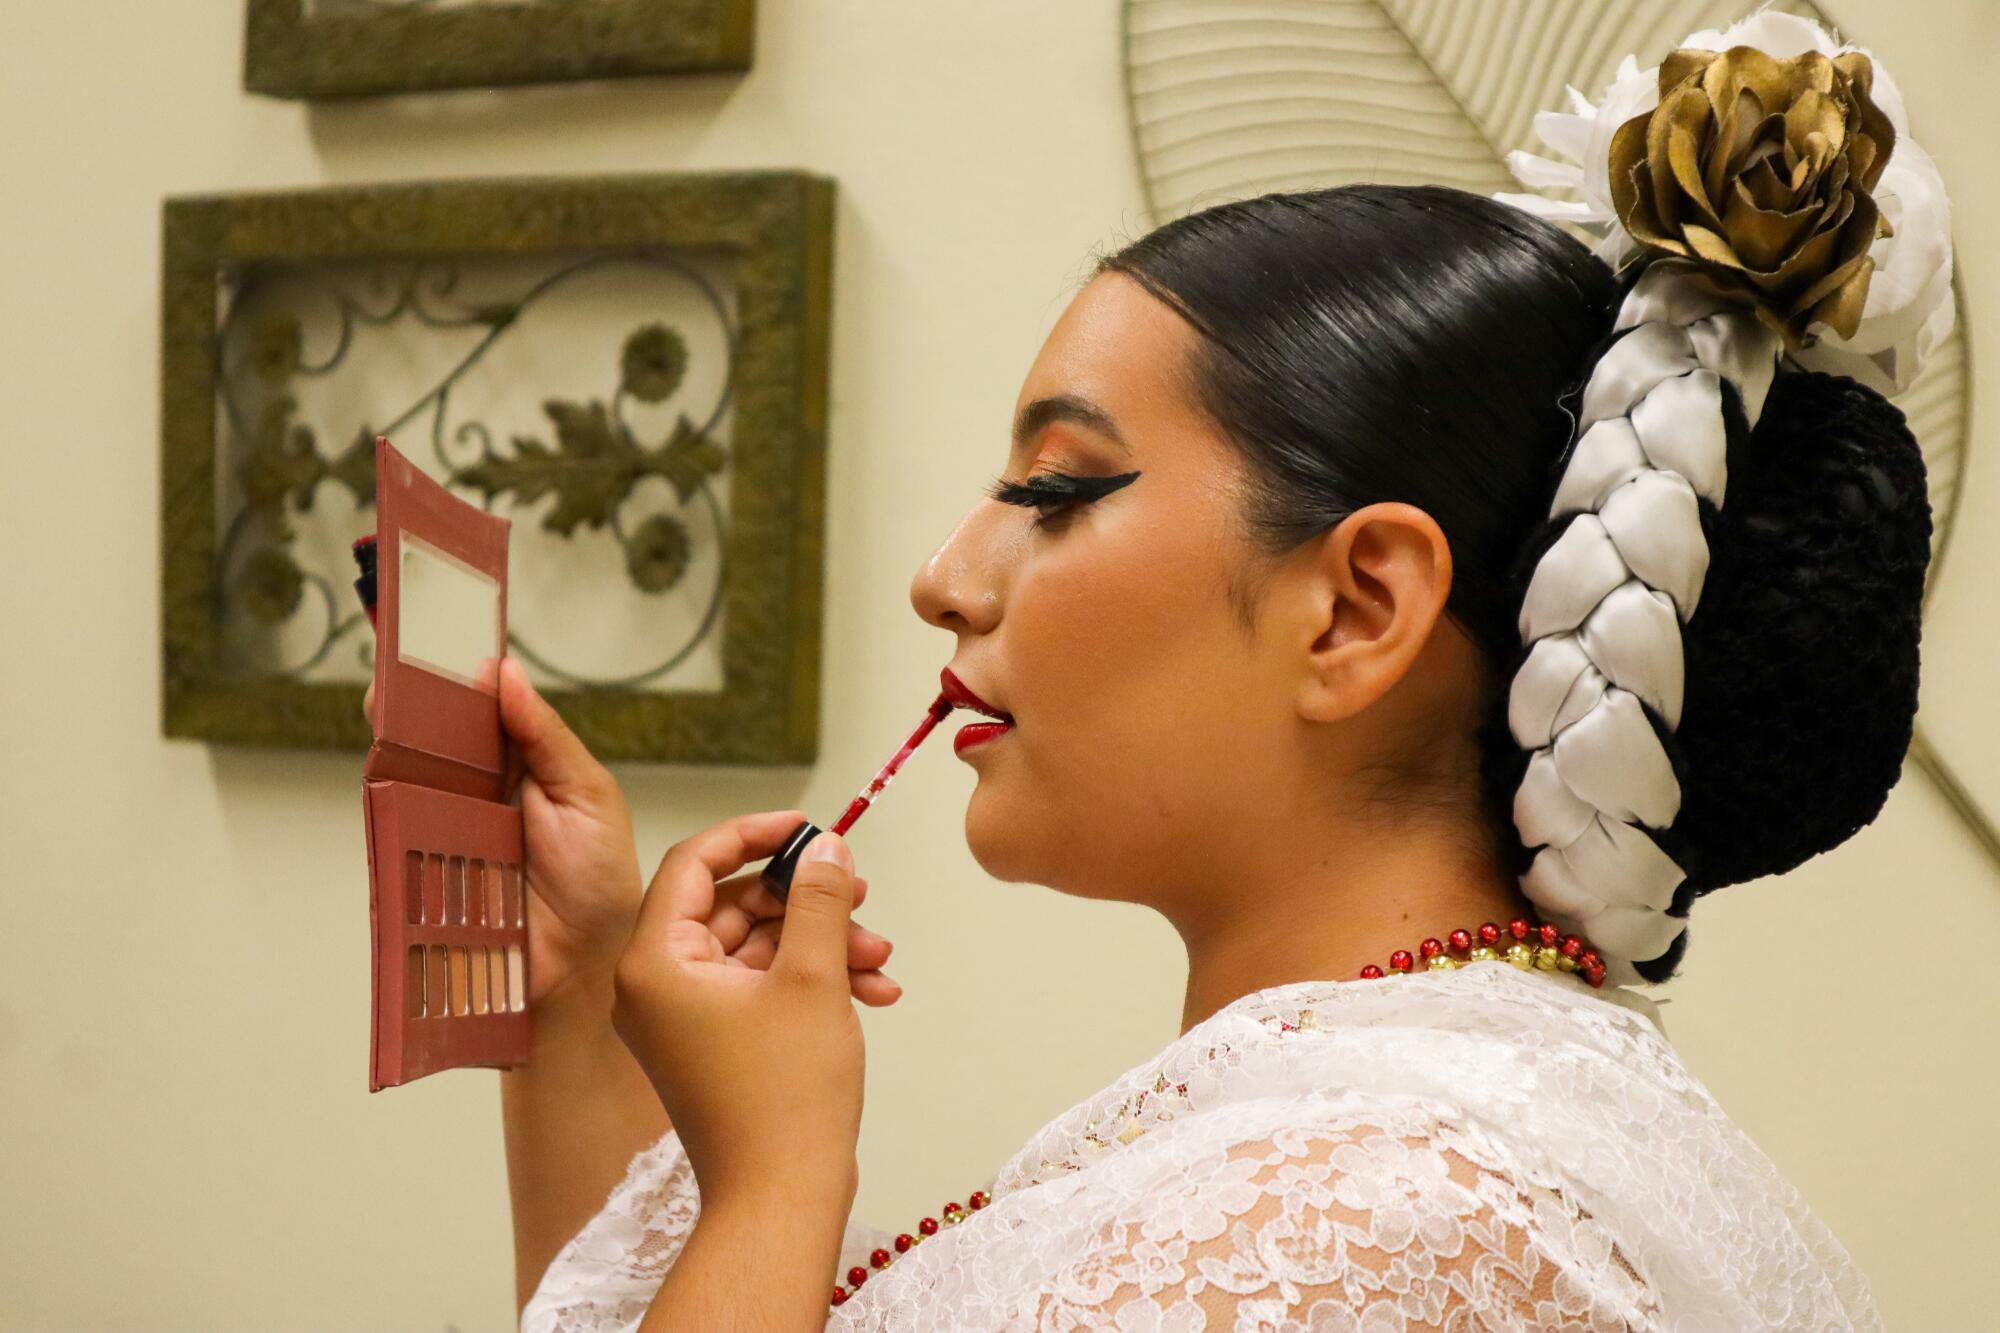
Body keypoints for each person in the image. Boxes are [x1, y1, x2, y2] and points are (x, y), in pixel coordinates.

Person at [372, 13, 1947, 1329]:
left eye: (1057, 490)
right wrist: (582, 992)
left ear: (1354, 610)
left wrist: (782, 1179)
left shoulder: (1385, 1224)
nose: (943, 575)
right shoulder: (1418, 1121)